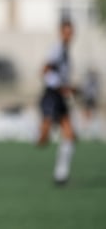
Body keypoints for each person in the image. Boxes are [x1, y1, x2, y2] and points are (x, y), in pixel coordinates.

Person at [37, 18, 77, 185]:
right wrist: (60, 86)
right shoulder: (58, 49)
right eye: (66, 32)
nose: (69, 36)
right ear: (61, 32)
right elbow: (45, 70)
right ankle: (39, 131)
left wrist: (68, 88)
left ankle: (61, 175)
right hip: (52, 95)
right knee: (43, 138)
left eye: (71, 32)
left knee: (69, 135)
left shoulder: (66, 51)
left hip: (60, 96)